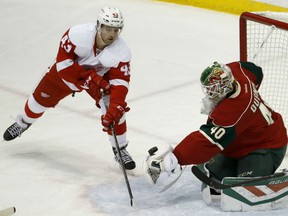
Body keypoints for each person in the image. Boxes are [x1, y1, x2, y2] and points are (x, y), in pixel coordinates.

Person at [3, 7, 136, 170]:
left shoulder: (121, 51)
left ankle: (120, 149)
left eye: (116, 30)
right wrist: (87, 77)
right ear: (98, 26)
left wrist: (116, 104)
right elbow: (63, 66)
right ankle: (23, 122)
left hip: (99, 80)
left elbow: (120, 82)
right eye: (108, 28)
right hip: (67, 75)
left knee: (115, 112)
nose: (112, 34)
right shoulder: (77, 35)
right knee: (38, 101)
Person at [144, 61, 287, 185]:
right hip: (241, 142)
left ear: (223, 88)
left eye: (212, 91)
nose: (209, 94)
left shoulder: (232, 112)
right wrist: (250, 92)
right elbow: (256, 71)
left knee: (244, 187)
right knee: (213, 172)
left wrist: (176, 157)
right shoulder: (238, 71)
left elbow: (207, 140)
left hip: (266, 146)